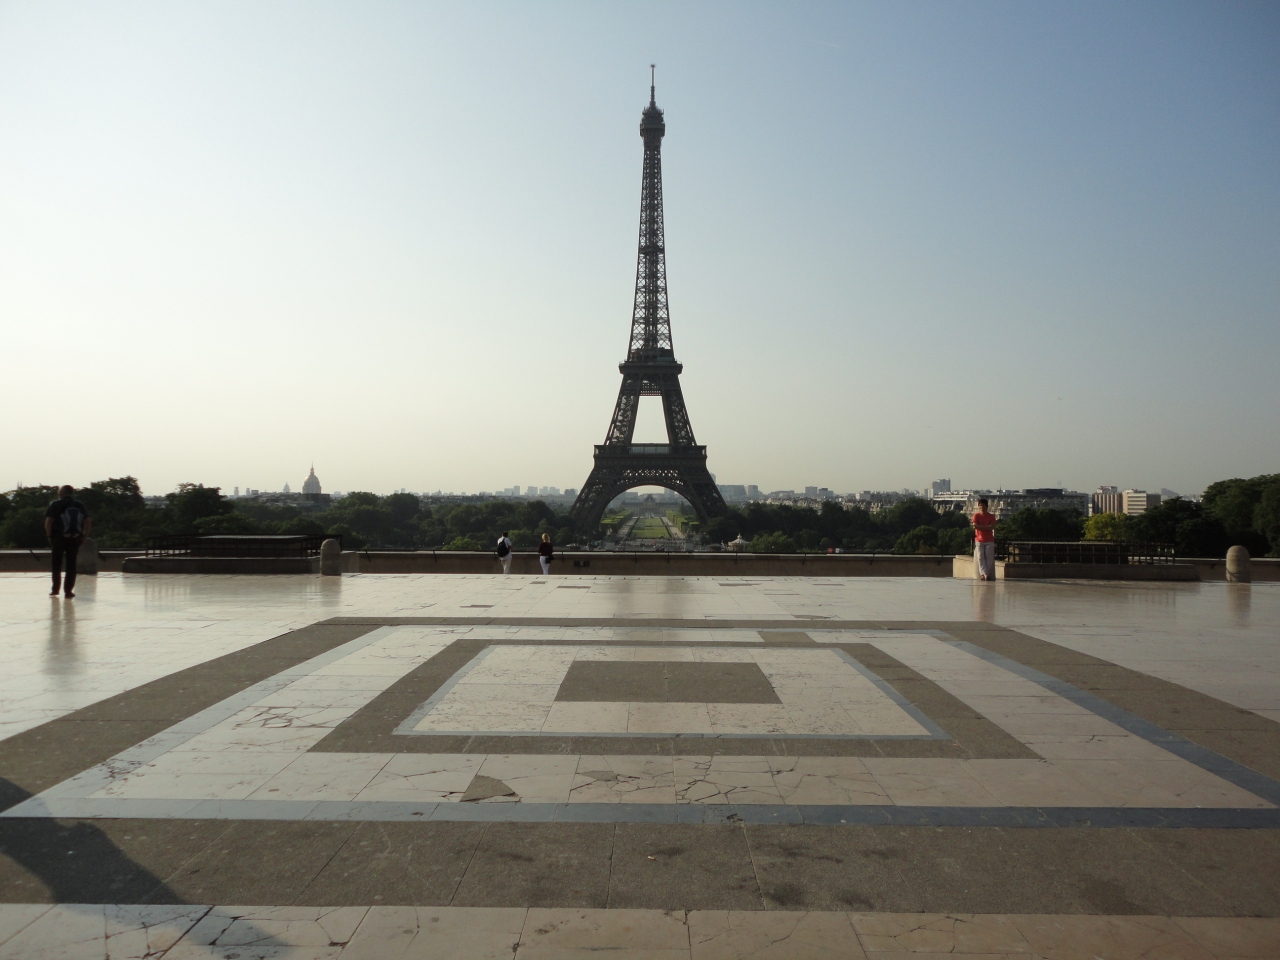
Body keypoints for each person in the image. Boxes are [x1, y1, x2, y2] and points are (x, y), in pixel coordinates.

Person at [44, 485, 91, 598]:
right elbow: (88, 521)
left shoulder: (56, 504)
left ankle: (55, 589)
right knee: (71, 565)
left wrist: (49, 535)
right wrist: (84, 536)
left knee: (56, 563)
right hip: (74, 538)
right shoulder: (79, 505)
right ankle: (68, 591)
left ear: (63, 492)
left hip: (58, 537)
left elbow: (49, 521)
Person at [971, 498, 997, 581]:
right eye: (980, 505)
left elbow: (992, 527)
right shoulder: (976, 516)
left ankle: (985, 574)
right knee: (980, 557)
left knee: (989, 557)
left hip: (989, 540)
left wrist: (980, 527)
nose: (981, 507)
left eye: (983, 505)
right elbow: (975, 526)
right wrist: (986, 527)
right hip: (979, 539)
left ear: (986, 506)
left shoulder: (991, 516)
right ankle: (984, 573)